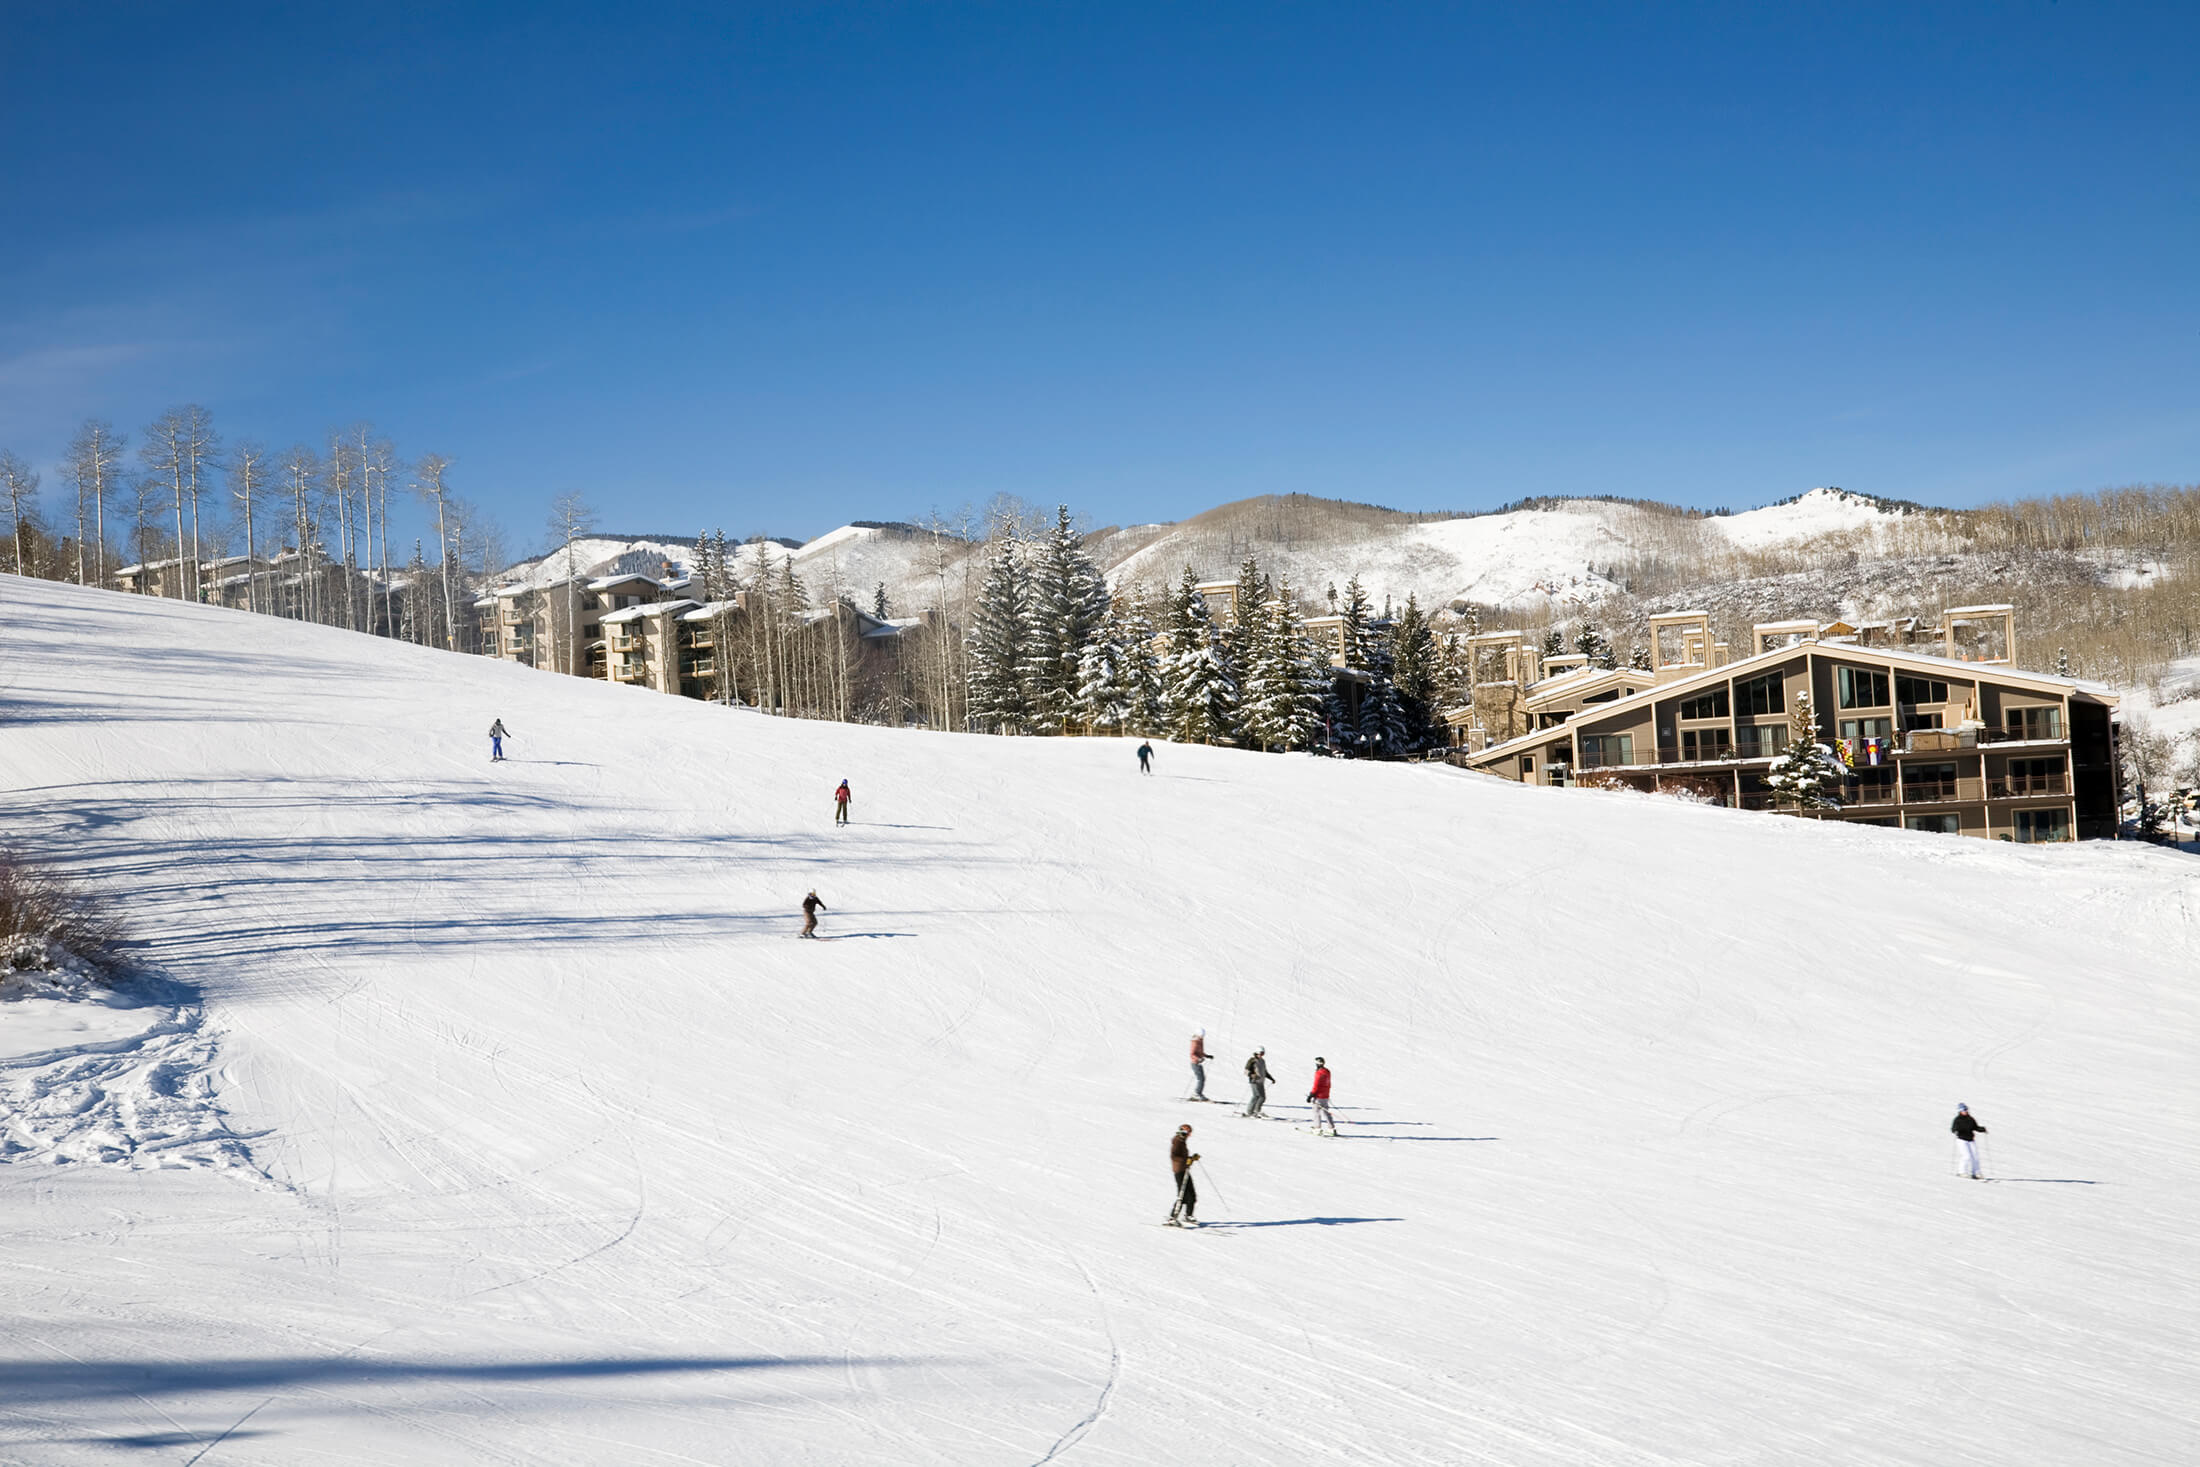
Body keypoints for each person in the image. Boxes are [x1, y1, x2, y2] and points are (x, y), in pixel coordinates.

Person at [1167, 1124, 1200, 1227]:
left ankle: (1189, 1215)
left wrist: (1191, 1158)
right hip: (1179, 1171)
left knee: (1191, 1194)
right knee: (1182, 1195)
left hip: (1184, 1170)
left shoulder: (1182, 1140)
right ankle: (1173, 1217)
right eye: (1188, 1132)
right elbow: (1174, 1156)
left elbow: (1182, 1157)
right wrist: (1187, 1160)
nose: (1189, 1135)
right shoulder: (1177, 1141)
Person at [1951, 1103, 1988, 1179]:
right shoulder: (1957, 1120)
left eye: (1966, 1109)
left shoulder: (1970, 1119)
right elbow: (1953, 1129)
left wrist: (1982, 1129)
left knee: (1975, 1157)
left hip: (1971, 1140)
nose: (1965, 1111)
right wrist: (1956, 1131)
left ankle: (1975, 1173)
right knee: (1966, 1156)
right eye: (1963, 1110)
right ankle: (1962, 1172)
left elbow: (1975, 1127)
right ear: (1960, 1111)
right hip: (1962, 1140)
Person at [1308, 1057, 1336, 1136]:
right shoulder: (1327, 1071)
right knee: (1326, 1112)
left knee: (1316, 1112)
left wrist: (1311, 1094)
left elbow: (1316, 1085)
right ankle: (1331, 1128)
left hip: (1319, 1096)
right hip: (1325, 1095)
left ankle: (1317, 1128)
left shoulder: (1319, 1073)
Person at [1243, 1049, 1273, 1117]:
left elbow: (1264, 1071)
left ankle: (1257, 1111)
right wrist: (1252, 1075)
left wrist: (1271, 1078)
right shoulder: (1252, 1060)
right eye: (1261, 1053)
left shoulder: (1262, 1061)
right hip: (1254, 1081)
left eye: (1263, 1053)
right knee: (1256, 1096)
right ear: (1256, 1052)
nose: (1262, 1055)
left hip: (1261, 1081)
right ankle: (1250, 1112)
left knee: (1262, 1097)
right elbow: (1246, 1071)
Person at [1188, 1031, 1210, 1100]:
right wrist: (1198, 1059)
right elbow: (1192, 1054)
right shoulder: (1195, 1042)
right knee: (1200, 1079)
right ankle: (1196, 1094)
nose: (1202, 1037)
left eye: (1202, 1036)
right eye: (1201, 1036)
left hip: (1198, 1063)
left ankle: (1198, 1093)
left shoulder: (1200, 1041)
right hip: (1195, 1063)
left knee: (1202, 1079)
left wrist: (1207, 1056)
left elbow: (1200, 1052)